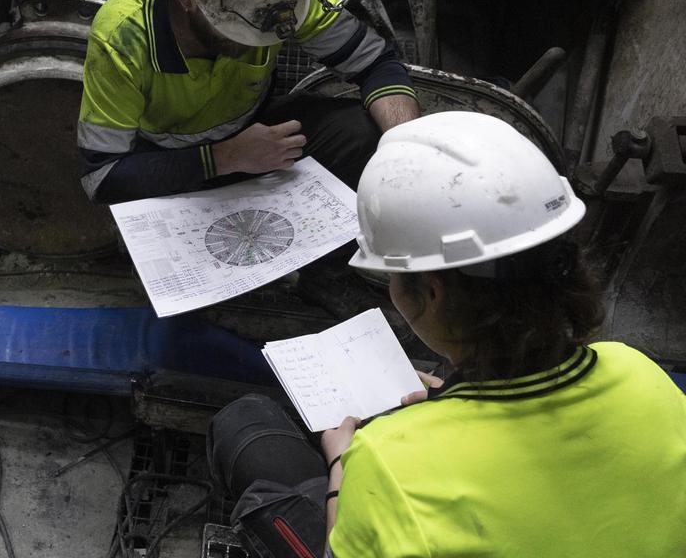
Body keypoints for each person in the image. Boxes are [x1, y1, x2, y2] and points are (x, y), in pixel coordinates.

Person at [207, 111, 686, 557]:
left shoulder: (389, 463)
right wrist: (454, 400)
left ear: (431, 291)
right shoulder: (642, 373)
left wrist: (341, 465)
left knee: (245, 427)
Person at [77, 0, 419, 204]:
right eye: (241, 32)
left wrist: (406, 151)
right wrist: (224, 158)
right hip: (169, 162)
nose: (259, 43)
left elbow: (376, 64)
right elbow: (101, 178)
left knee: (362, 131)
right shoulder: (121, 35)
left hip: (257, 137)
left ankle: (330, 259)